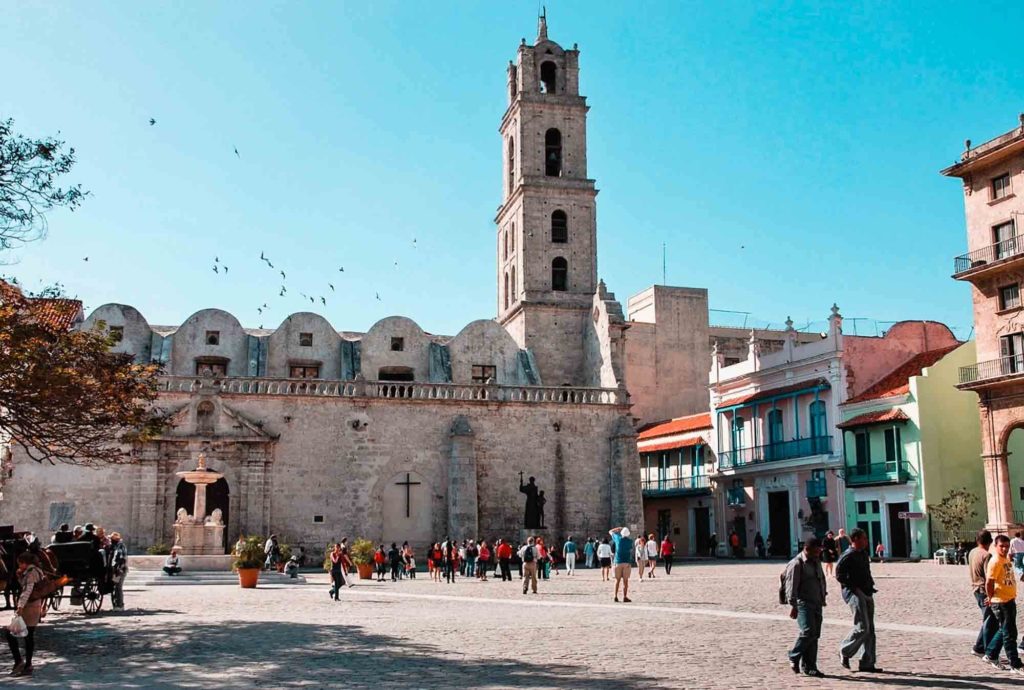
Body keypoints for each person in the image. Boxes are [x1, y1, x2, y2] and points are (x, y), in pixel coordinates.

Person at [835, 527, 881, 673]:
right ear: (855, 540)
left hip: (867, 592)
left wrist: (870, 587)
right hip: (855, 594)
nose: (866, 541)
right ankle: (844, 650)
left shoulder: (863, 554)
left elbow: (866, 572)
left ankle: (867, 662)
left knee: (870, 630)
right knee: (862, 627)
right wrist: (856, 589)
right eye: (864, 538)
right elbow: (840, 575)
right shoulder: (848, 555)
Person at [784, 536, 827, 678]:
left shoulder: (816, 561)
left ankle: (810, 666)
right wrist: (793, 605)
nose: (819, 553)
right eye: (816, 550)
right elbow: (791, 586)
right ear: (807, 549)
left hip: (816, 602)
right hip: (803, 603)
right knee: (808, 631)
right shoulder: (797, 564)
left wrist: (823, 597)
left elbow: (821, 579)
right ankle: (793, 655)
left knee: (815, 635)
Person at [985, 534, 1024, 672]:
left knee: (1004, 630)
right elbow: (989, 582)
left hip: (1009, 599)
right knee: (1010, 634)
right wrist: (990, 597)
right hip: (1001, 602)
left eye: (1007, 546)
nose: (1005, 549)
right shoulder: (995, 561)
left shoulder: (1005, 559)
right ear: (995, 546)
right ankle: (1015, 664)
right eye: (1002, 546)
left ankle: (991, 653)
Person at [5, 552, 44, 677]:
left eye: (20, 563)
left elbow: (27, 590)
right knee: (29, 636)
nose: (19, 566)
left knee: (10, 633)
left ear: (24, 562)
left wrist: (20, 606)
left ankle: (20, 662)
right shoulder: (37, 571)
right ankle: (27, 665)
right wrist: (19, 576)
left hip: (29, 607)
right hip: (36, 606)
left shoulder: (31, 573)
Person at [969, 529, 997, 659]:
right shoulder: (986, 555)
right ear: (990, 541)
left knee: (988, 619)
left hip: (975, 588)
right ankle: (984, 648)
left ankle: (979, 647)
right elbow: (989, 576)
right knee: (990, 620)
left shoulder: (972, 552)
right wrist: (991, 595)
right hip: (983, 590)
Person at [610, 527, 633, 603]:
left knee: (617, 580)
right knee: (625, 581)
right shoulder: (630, 541)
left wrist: (618, 528)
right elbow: (630, 549)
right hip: (626, 562)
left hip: (617, 562)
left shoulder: (618, 539)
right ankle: (625, 597)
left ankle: (615, 596)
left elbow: (610, 531)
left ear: (621, 533)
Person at [107, 532, 128, 611]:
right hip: (117, 569)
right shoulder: (116, 546)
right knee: (116, 587)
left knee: (118, 587)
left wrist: (117, 568)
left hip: (119, 570)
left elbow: (120, 558)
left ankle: (120, 605)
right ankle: (117, 605)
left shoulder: (120, 546)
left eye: (111, 539)